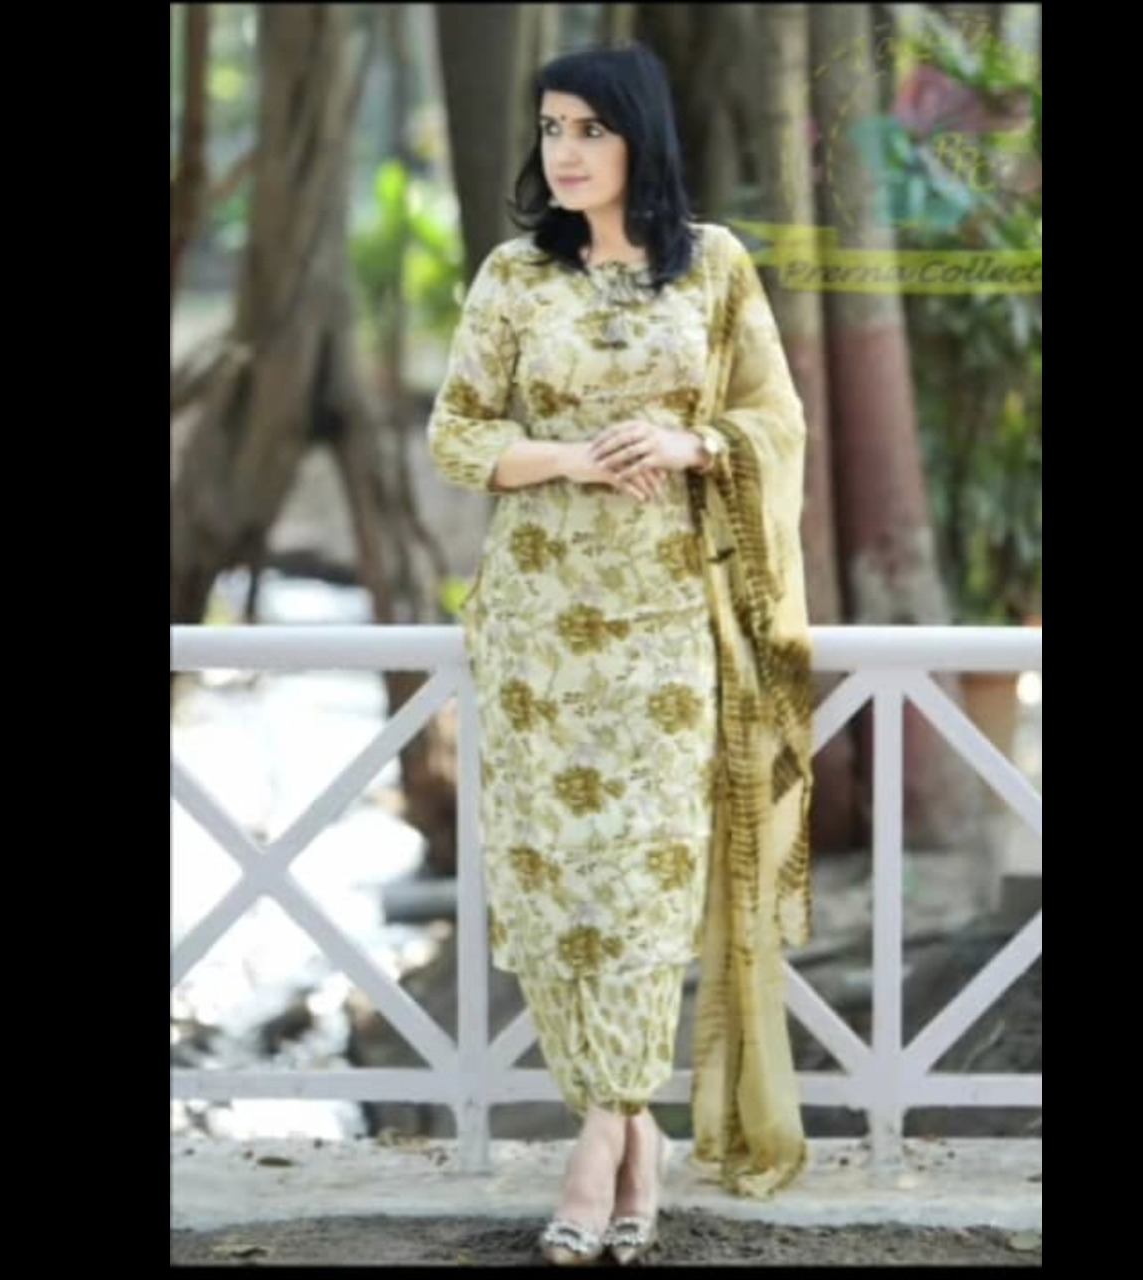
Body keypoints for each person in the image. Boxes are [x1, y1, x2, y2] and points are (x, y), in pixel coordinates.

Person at [427, 41, 815, 1266]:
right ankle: (632, 1144)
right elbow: (455, 433)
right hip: (535, 634)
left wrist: (692, 444)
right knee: (552, 893)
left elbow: (773, 418)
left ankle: (593, 1152)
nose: (565, 151)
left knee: (644, 894)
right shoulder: (512, 275)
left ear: (640, 136)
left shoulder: (715, 266)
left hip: (664, 633)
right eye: (550, 128)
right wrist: (572, 458)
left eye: (589, 128)